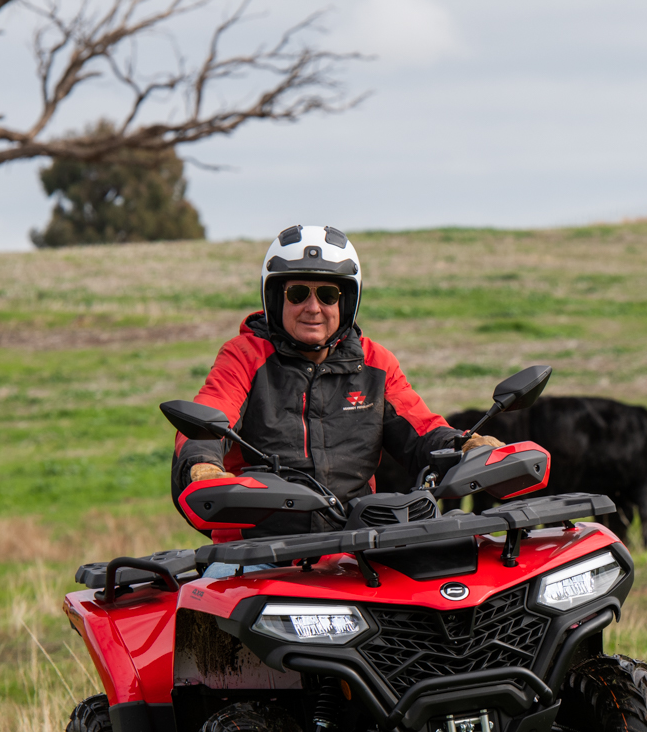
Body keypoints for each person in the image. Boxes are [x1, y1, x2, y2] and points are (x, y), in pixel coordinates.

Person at [172, 225, 501, 548]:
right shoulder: (244, 356)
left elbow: (423, 433)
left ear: (347, 302)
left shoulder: (376, 363)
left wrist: (469, 447)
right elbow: (207, 421)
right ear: (275, 298)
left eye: (328, 295)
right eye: (298, 293)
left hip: (354, 551)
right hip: (257, 554)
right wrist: (203, 466)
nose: (313, 308)